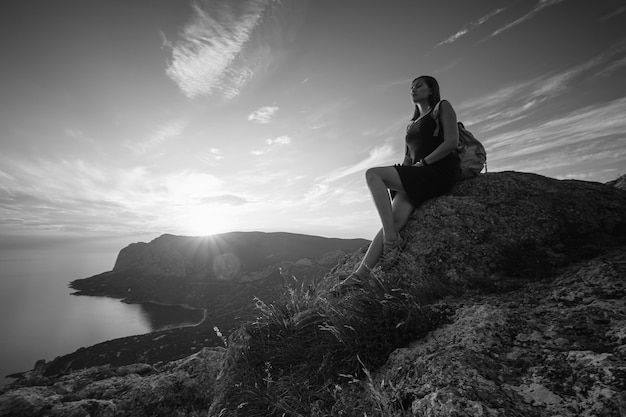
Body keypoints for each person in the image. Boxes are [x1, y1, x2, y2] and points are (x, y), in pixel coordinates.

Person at [332, 75, 460, 294]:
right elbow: (408, 160)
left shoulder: (442, 107)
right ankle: (359, 276)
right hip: (419, 174)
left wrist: (424, 163)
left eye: (419, 85)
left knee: (373, 174)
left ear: (431, 90)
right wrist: (403, 169)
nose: (413, 89)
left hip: (439, 171)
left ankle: (392, 240)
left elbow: (451, 143)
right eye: (411, 87)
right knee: (393, 220)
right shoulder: (410, 125)